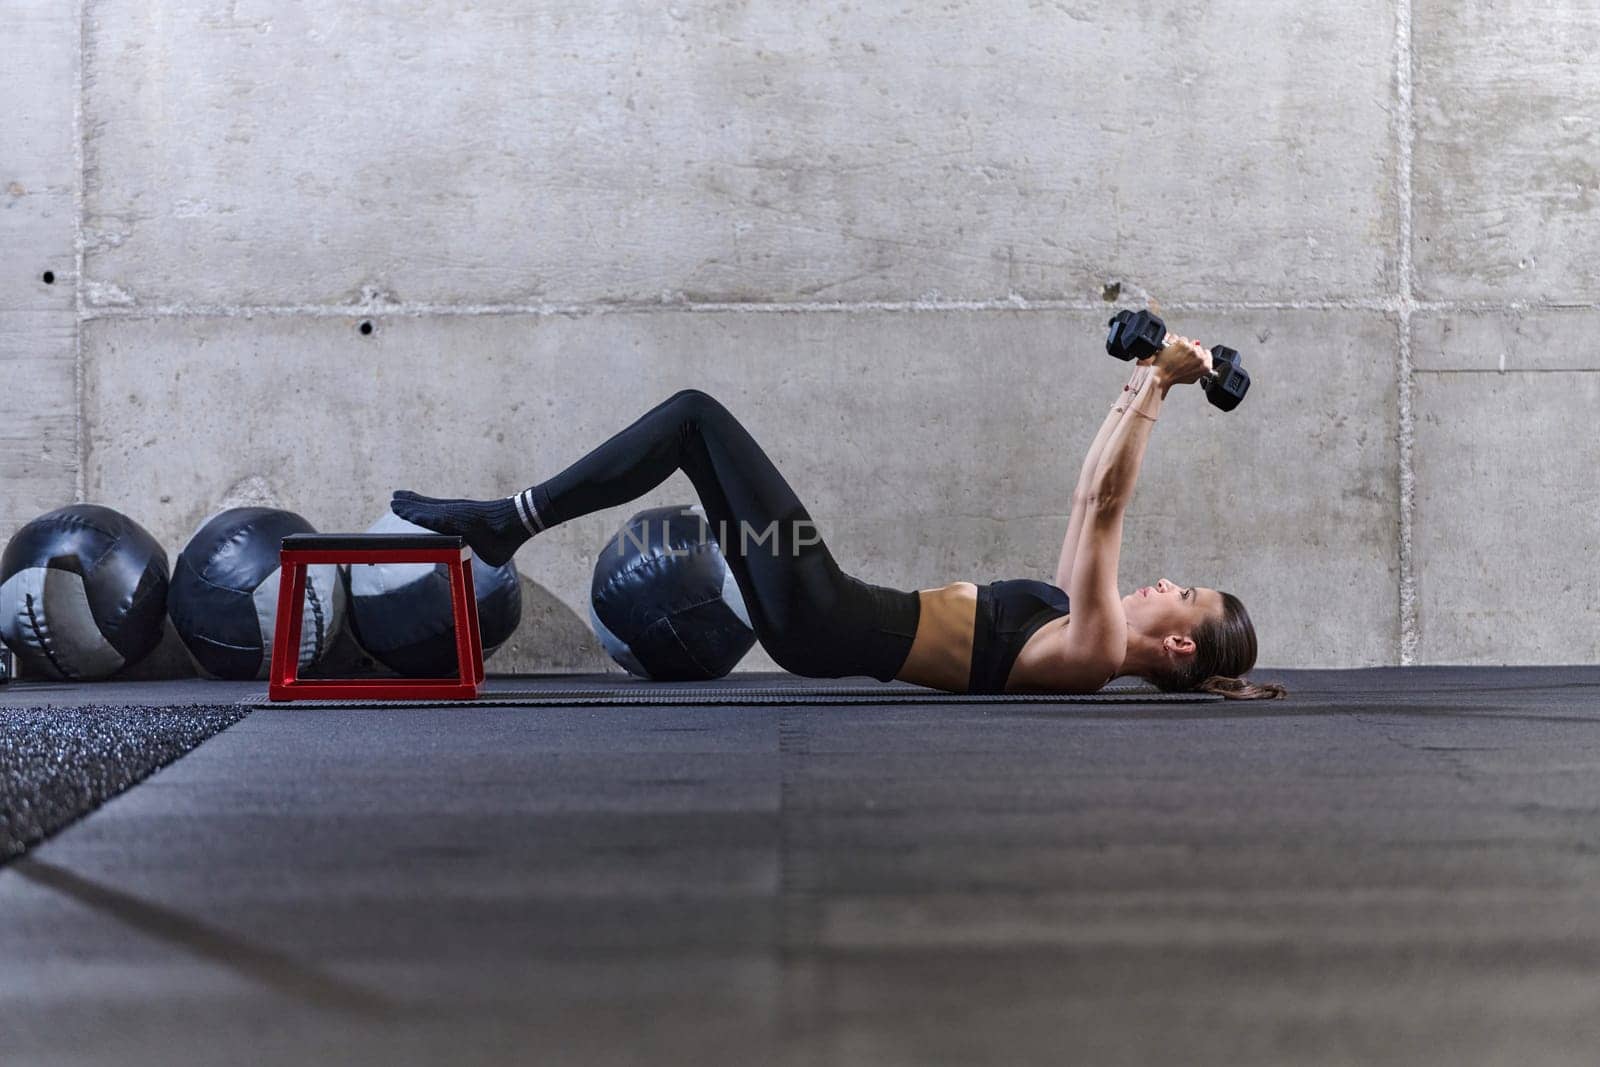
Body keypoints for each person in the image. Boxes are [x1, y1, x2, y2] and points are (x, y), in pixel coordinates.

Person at [391, 333, 1285, 699]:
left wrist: (1163, 385)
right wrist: (1144, 373)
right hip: (826, 607)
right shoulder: (1070, 624)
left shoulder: (1090, 651)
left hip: (826, 616)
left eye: (1187, 593)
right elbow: (1085, 492)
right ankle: (509, 519)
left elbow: (1104, 502)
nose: (1167, 581)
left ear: (1178, 644)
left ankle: (509, 520)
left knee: (697, 416)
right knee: (695, 436)